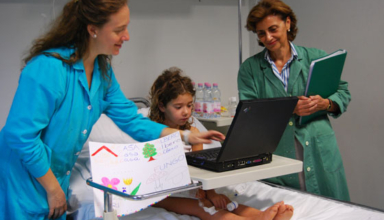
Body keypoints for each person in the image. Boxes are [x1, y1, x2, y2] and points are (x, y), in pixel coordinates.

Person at [0, 1, 224, 219]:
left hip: (55, 179)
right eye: (119, 30)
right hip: (21, 182)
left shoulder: (102, 72)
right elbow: (20, 137)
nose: (127, 36)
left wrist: (185, 135)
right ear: (92, 30)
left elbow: (133, 120)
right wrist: (52, 189)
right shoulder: (47, 69)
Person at [237, 0, 351, 201]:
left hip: (319, 148)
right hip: (279, 150)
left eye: (273, 29)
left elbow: (342, 92)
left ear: (287, 23)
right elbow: (249, 113)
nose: (268, 38)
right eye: (261, 33)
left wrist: (326, 103)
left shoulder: (316, 58)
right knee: (287, 208)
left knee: (331, 208)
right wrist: (289, 107)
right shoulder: (250, 69)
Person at [148, 67, 294, 220]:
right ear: (162, 106)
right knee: (203, 207)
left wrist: (211, 193)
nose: (186, 112)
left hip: (192, 186)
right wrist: (205, 196)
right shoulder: (154, 135)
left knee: (225, 201)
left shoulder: (194, 133)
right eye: (178, 107)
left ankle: (260, 215)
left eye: (189, 105)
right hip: (165, 194)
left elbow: (200, 171)